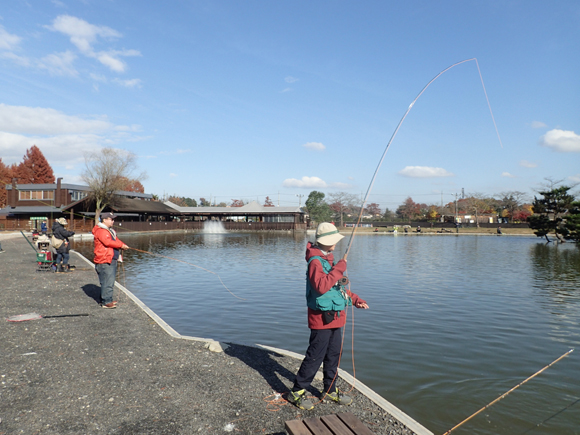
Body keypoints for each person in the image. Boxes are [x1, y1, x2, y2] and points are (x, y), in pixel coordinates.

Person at [287, 222, 369, 410]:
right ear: (325, 242)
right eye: (333, 240)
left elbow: (336, 289)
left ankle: (330, 389)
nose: (335, 243)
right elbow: (321, 286)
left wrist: (356, 300)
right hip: (320, 319)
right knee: (315, 356)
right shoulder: (316, 262)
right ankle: (297, 391)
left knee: (333, 355)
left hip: (335, 318)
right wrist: (339, 268)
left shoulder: (328, 260)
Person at [93, 212, 129, 309]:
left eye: (113, 219)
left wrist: (123, 245)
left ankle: (107, 298)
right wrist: (120, 245)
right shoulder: (101, 231)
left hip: (110, 259)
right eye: (111, 219)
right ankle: (106, 302)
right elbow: (107, 242)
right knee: (107, 281)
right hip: (105, 259)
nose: (113, 221)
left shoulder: (109, 231)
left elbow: (115, 240)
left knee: (109, 281)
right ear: (104, 220)